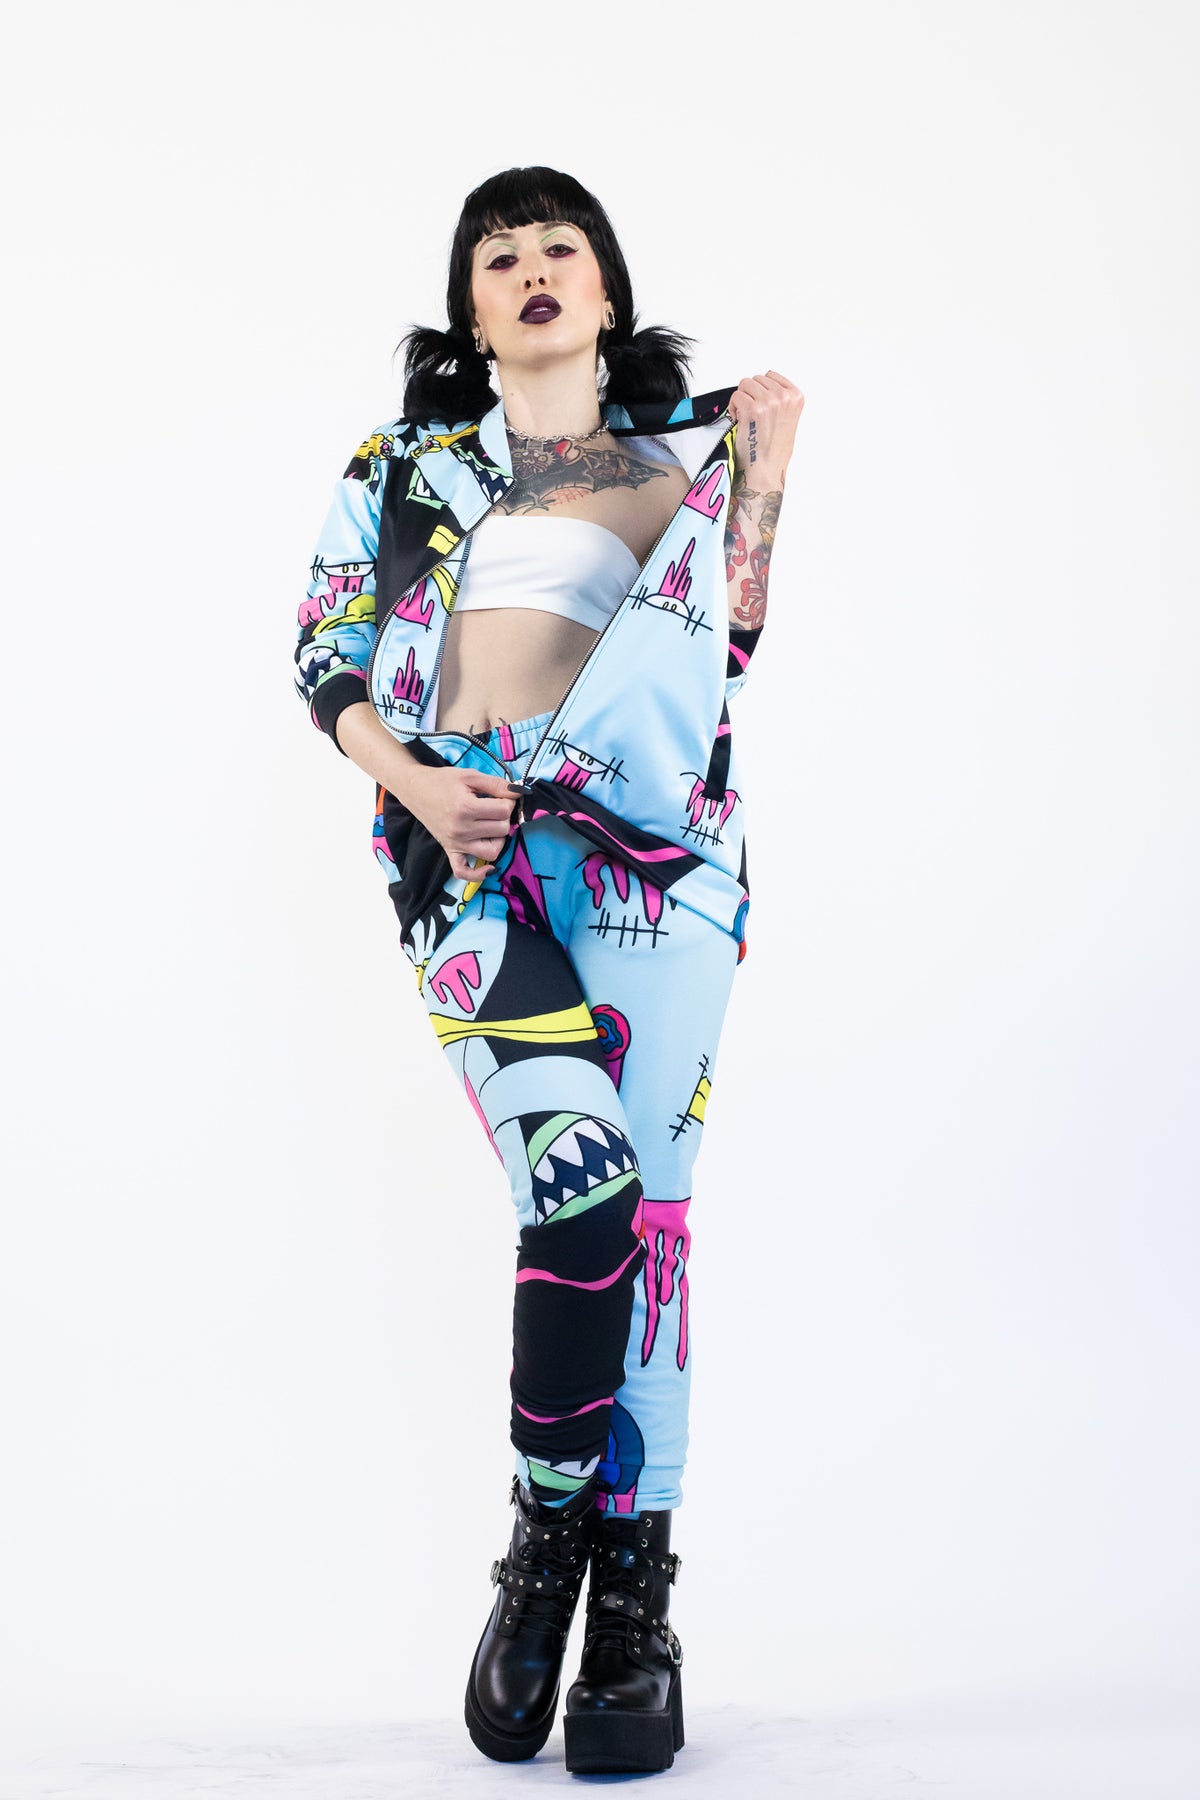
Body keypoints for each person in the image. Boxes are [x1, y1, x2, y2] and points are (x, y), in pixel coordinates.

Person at [294, 165, 803, 1776]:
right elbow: (324, 656)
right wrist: (416, 784)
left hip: (658, 873)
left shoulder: (681, 463)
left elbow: (729, 650)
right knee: (575, 1187)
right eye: (498, 255)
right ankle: (546, 1545)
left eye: (558, 248)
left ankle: (632, 1609)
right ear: (469, 309)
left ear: (604, 288)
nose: (530, 269)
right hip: (472, 864)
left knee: (646, 1222)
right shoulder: (403, 470)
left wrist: (769, 476)